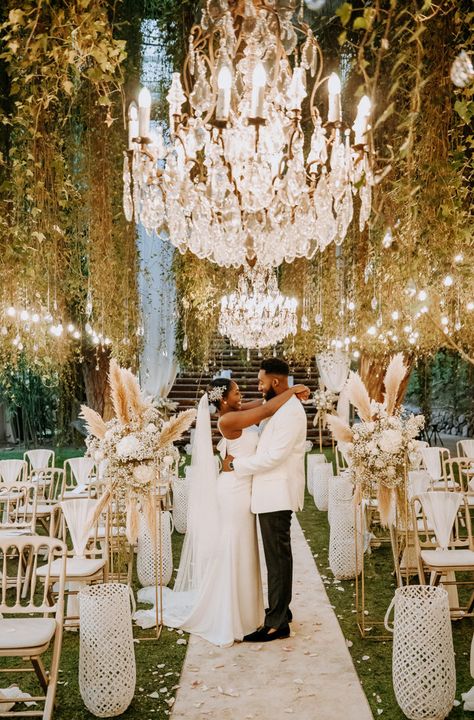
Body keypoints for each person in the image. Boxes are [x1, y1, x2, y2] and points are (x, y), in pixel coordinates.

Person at [134, 374, 309, 647]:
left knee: (243, 549)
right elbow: (266, 409)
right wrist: (294, 389)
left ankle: (247, 610)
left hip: (243, 489)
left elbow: (262, 402)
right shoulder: (227, 420)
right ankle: (231, 613)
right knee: (234, 548)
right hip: (234, 492)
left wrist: (285, 393)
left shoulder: (237, 410)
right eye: (237, 392)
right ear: (224, 399)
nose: (242, 396)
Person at [222, 358, 307, 642]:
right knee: (277, 558)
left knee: (278, 559)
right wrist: (293, 390)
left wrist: (236, 466)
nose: (257, 387)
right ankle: (280, 610)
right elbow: (259, 409)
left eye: (261, 381)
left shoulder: (291, 412)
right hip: (270, 493)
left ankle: (277, 624)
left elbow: (274, 457)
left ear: (275, 382)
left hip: (277, 492)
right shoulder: (280, 404)